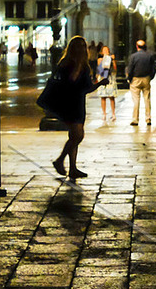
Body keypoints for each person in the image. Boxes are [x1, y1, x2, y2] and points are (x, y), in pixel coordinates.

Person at [44, 36, 109, 181]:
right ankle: (60, 160)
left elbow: (85, 88)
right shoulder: (68, 64)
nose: (81, 49)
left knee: (74, 136)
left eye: (82, 46)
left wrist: (98, 83)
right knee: (78, 135)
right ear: (72, 48)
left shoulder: (83, 65)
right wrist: (96, 82)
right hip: (69, 104)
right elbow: (72, 83)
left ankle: (73, 168)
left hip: (79, 103)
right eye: (78, 46)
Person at [125, 39, 156, 126]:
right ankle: (148, 118)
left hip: (136, 79)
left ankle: (135, 119)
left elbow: (130, 68)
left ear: (137, 46)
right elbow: (153, 69)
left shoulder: (133, 56)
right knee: (147, 99)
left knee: (136, 100)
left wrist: (129, 78)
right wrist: (150, 77)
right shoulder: (149, 56)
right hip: (146, 78)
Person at [96, 44, 118, 123]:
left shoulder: (112, 59)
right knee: (103, 97)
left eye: (107, 50)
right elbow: (100, 67)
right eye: (104, 50)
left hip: (110, 78)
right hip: (103, 78)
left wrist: (113, 60)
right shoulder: (100, 59)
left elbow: (115, 68)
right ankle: (104, 113)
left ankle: (113, 113)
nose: (106, 51)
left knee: (111, 97)